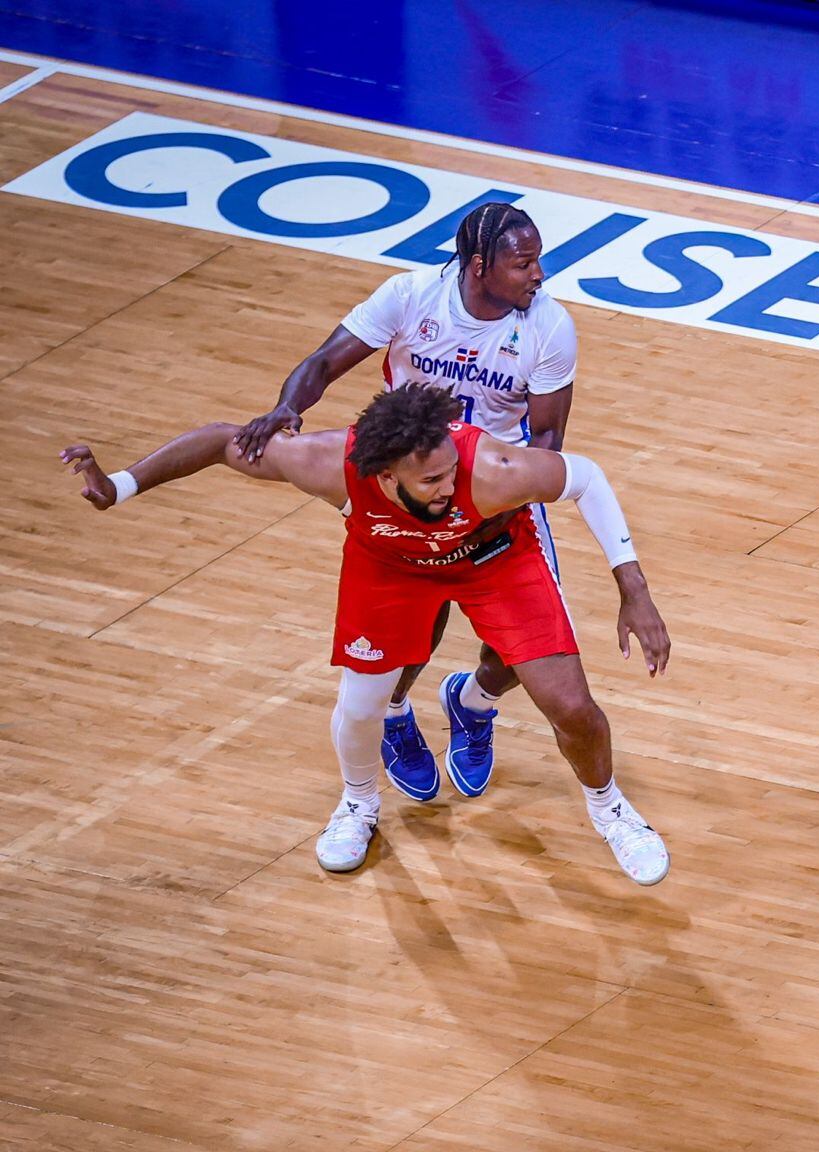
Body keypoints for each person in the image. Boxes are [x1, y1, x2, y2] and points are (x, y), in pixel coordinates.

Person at [63, 384, 673, 885]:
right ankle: (358, 803)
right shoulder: (325, 462)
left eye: (448, 471)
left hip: (494, 562)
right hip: (390, 569)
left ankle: (611, 810)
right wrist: (120, 485)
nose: (446, 484)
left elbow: (587, 478)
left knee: (571, 706)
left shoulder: (492, 469)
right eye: (430, 480)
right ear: (383, 477)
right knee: (361, 706)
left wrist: (634, 589)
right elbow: (224, 442)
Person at [233, 201, 577, 804]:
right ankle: (393, 713)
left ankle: (473, 700)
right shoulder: (410, 295)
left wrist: (504, 500)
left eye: (538, 261)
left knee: (520, 644)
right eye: (524, 263)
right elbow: (323, 362)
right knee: (418, 621)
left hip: (494, 486)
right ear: (478, 265)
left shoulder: (549, 326)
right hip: (409, 483)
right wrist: (290, 408)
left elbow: (547, 440)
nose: (539, 274)